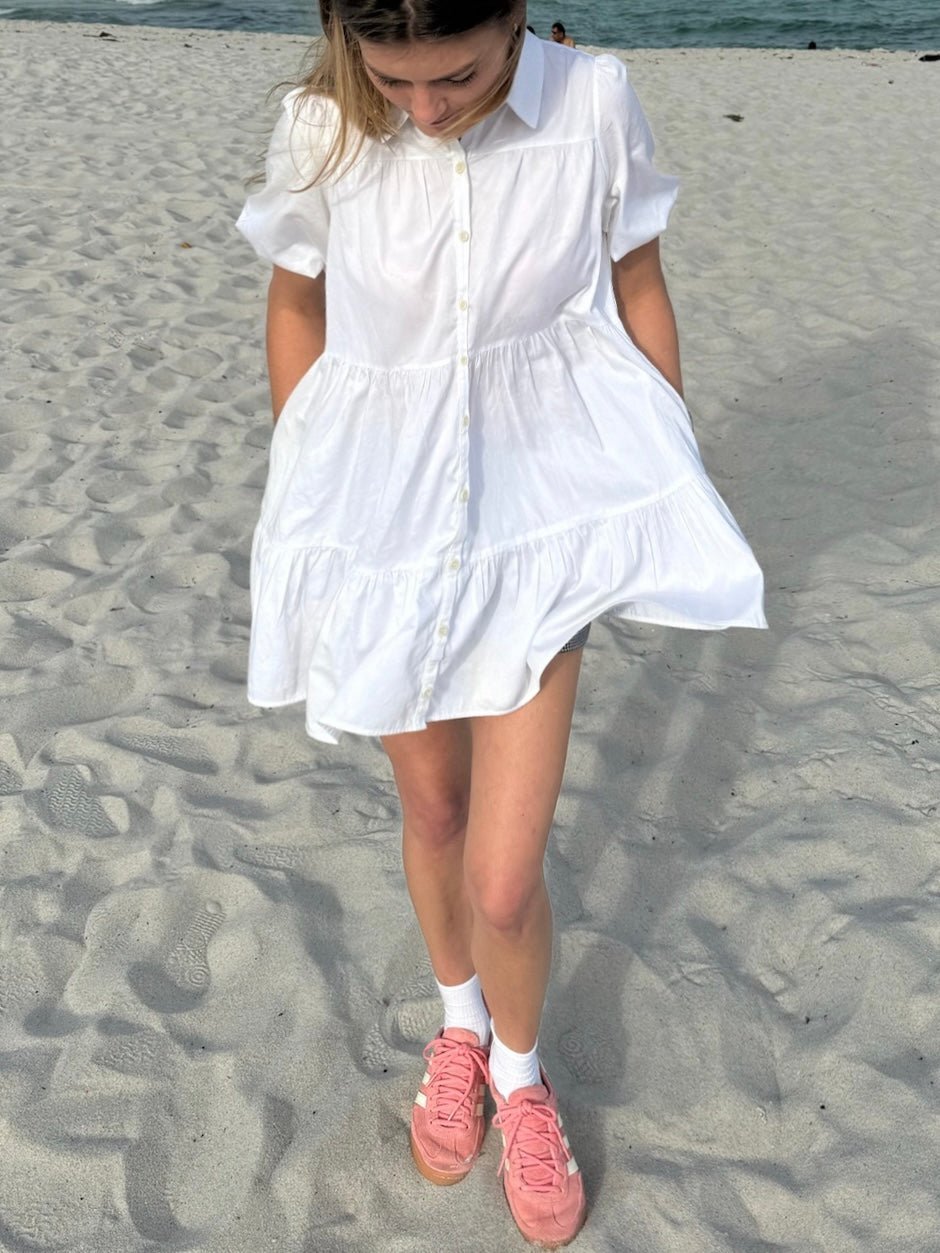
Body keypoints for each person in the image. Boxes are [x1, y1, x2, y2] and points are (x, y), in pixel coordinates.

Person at [236, 1, 765, 1246]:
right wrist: (307, 480)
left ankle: (523, 1081)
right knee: (431, 810)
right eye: (395, 78)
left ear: (518, 20)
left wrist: (658, 467)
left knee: (505, 869)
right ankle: (458, 1023)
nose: (425, 107)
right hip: (381, 521)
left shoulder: (594, 100)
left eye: (459, 75)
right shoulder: (321, 124)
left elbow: (637, 280)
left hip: (541, 514)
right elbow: (295, 306)